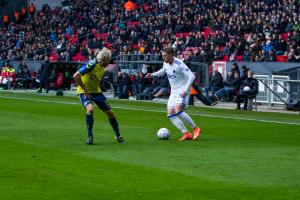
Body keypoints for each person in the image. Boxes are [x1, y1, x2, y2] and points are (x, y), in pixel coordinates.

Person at [146, 47, 201, 141]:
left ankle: (196, 129)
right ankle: (186, 133)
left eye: (165, 56)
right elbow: (164, 70)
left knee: (178, 111)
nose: (164, 58)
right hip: (174, 91)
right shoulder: (166, 63)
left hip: (183, 90)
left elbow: (192, 76)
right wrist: (153, 74)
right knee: (171, 114)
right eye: (163, 56)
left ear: (171, 54)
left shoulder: (179, 64)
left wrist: (185, 89)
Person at [73, 47, 125, 145]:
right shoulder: (91, 64)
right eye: (107, 61)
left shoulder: (103, 66)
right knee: (90, 109)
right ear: (104, 60)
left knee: (110, 113)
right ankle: (90, 136)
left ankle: (118, 136)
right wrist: (85, 90)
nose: (108, 63)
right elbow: (76, 75)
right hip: (84, 91)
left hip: (96, 92)